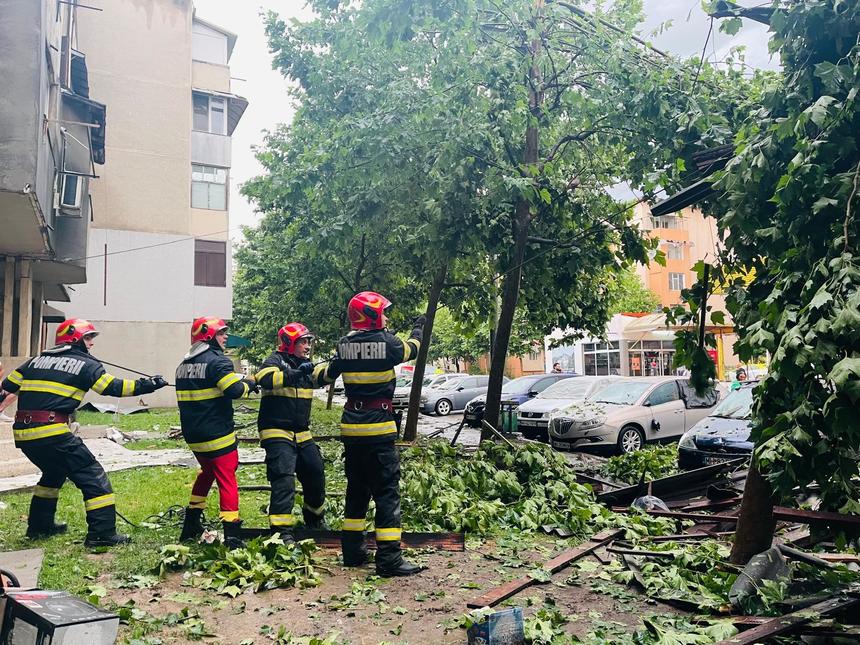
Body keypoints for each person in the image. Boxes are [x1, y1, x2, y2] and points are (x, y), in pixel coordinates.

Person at [0, 318, 168, 546]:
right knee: (92, 476)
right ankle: (102, 534)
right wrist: (148, 384)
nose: (91, 343)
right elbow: (113, 387)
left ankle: (40, 526)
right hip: (52, 431)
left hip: (23, 434)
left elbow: (7, 387)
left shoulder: (33, 362)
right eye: (88, 338)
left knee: (53, 473)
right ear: (75, 339)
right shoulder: (87, 364)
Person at [316, 291, 425, 577]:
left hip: (352, 431)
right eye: (383, 312)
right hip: (379, 430)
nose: (386, 317)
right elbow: (412, 349)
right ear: (372, 315)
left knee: (357, 491)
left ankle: (352, 552)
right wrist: (419, 327)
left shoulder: (343, 346)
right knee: (387, 494)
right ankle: (389, 559)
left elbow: (326, 375)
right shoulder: (387, 343)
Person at [176, 317, 256, 548]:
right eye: (221, 333)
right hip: (217, 434)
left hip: (193, 436)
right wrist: (250, 385)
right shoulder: (218, 362)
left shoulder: (183, 365)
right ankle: (232, 535)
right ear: (208, 336)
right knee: (227, 478)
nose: (225, 337)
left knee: (207, 472)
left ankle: (190, 524)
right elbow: (234, 390)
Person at [254, 323, 327, 540]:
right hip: (275, 430)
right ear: (289, 344)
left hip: (302, 432)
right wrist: (294, 373)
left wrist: (340, 363)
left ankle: (314, 519)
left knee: (315, 474)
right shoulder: (274, 360)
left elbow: (323, 377)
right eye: (303, 342)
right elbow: (266, 378)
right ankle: (281, 532)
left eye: (308, 342)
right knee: (284, 479)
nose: (307, 346)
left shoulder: (306, 365)